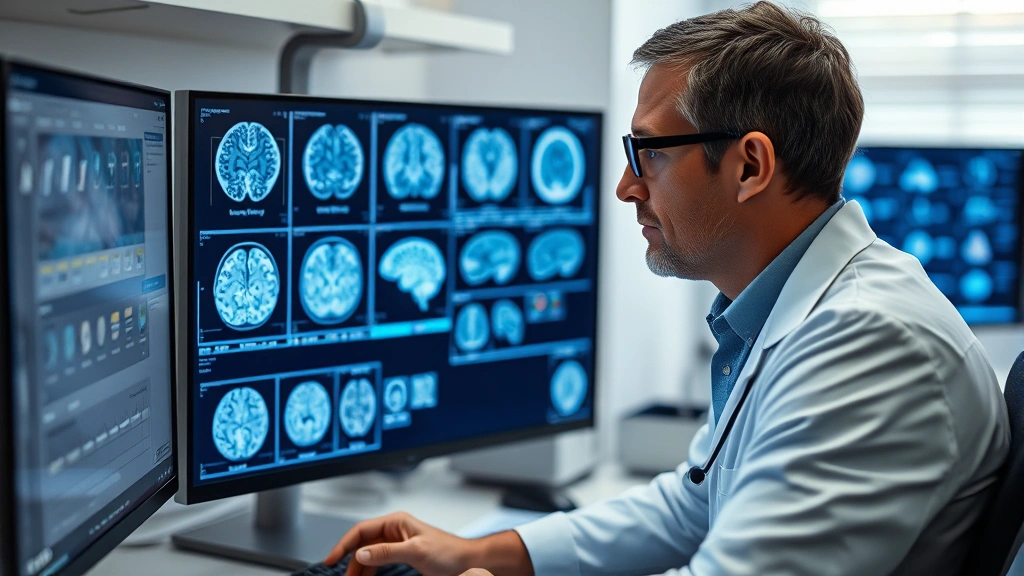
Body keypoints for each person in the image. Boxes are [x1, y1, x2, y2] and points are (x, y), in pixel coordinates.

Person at [326, 3, 1010, 575]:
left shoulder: (870, 342)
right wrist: (480, 551)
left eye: (648, 152)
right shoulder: (793, 312)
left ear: (749, 165)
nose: (626, 186)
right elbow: (692, 503)